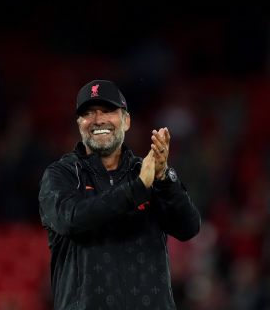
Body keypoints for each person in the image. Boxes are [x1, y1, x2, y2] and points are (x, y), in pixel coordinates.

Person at [38, 79, 201, 310]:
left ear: (126, 121)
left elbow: (189, 227)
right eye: (89, 113)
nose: (98, 120)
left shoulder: (146, 171)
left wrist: (164, 177)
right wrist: (138, 189)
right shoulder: (62, 174)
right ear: (79, 124)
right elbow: (70, 220)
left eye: (108, 111)